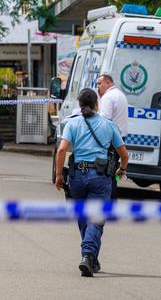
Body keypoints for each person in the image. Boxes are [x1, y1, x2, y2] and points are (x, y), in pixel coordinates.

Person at [54, 88, 129, 277]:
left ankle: (91, 258)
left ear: (79, 105)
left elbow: (62, 150)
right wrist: (122, 169)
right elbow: (124, 154)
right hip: (100, 177)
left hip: (77, 176)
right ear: (97, 104)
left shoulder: (72, 123)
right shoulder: (108, 125)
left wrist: (59, 175)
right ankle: (88, 255)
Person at [97, 73, 128, 199]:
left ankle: (110, 200)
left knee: (108, 172)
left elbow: (104, 120)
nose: (98, 87)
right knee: (114, 170)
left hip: (111, 140)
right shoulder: (120, 95)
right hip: (120, 138)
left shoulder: (108, 97)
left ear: (108, 83)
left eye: (100, 83)